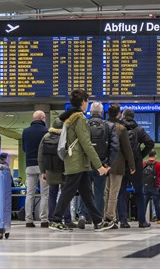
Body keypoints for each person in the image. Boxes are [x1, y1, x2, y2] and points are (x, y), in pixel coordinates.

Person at [49, 90, 109, 231]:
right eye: (87, 101)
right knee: (68, 191)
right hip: (77, 161)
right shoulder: (80, 118)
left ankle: (97, 221)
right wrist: (98, 165)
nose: (87, 104)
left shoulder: (70, 117)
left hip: (76, 161)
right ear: (83, 102)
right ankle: (56, 219)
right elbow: (86, 143)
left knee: (87, 193)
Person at [75, 101, 118, 229]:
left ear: (90, 112)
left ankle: (82, 215)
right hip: (101, 164)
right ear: (102, 112)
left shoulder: (83, 124)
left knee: (85, 191)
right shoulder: (109, 126)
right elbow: (115, 147)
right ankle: (97, 219)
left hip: (85, 164)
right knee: (99, 193)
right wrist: (108, 164)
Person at [97, 104, 136, 231]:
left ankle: (103, 216)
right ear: (118, 114)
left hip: (102, 164)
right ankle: (111, 217)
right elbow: (127, 149)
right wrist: (131, 165)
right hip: (117, 165)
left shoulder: (102, 125)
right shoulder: (121, 128)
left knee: (104, 192)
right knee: (114, 192)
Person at [118, 108, 154, 228]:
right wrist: (140, 156)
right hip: (136, 165)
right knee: (139, 192)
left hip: (122, 164)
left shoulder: (118, 128)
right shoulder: (139, 129)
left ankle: (123, 221)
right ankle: (142, 221)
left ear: (123, 116)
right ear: (133, 117)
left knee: (121, 192)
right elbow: (150, 143)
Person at [37, 119, 73, 227]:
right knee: (65, 195)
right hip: (64, 170)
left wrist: (43, 171)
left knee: (52, 194)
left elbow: (40, 155)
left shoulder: (46, 137)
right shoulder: (65, 137)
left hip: (50, 170)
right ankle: (67, 220)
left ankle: (52, 219)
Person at [22, 111, 49, 228]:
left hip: (29, 165)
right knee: (44, 194)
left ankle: (28, 220)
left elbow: (24, 148)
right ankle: (44, 220)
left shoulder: (25, 132)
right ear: (42, 118)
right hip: (43, 166)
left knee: (30, 193)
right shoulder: (46, 132)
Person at [142, 150, 160, 225]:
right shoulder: (158, 164)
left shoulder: (143, 163)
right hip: (155, 187)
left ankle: (141, 218)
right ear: (155, 156)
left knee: (144, 204)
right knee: (157, 204)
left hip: (145, 186)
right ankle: (159, 219)